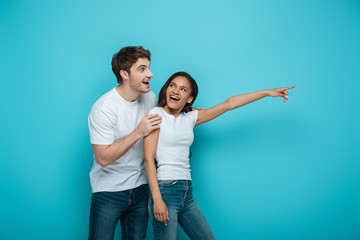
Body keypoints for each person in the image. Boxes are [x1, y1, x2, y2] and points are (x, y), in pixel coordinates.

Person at [143, 71, 295, 240]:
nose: (175, 91)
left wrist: (266, 93)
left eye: (183, 89)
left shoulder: (191, 117)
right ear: (166, 89)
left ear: (190, 99)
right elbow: (148, 160)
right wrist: (157, 199)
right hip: (165, 190)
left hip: (186, 192)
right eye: (173, 85)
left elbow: (228, 104)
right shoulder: (156, 115)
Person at [87, 46, 162, 240]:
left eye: (149, 68)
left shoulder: (150, 98)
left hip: (140, 189)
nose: (151, 74)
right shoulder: (104, 108)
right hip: (108, 191)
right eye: (142, 69)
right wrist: (138, 132)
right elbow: (103, 158)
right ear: (124, 74)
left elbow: (163, 129)